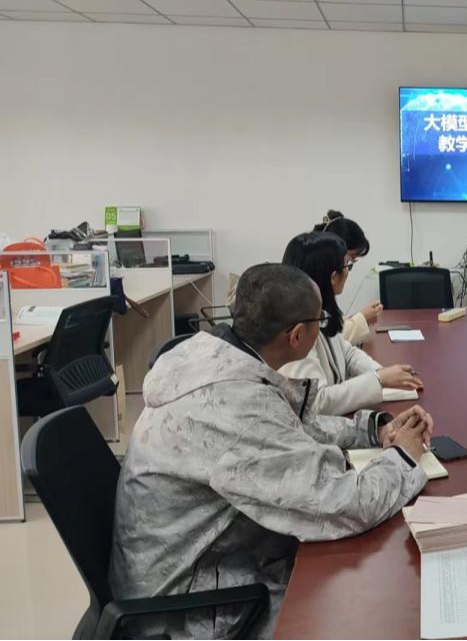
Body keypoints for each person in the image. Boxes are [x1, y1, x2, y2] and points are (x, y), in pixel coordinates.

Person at [109, 263, 435, 639]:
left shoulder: (210, 352)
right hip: (184, 606)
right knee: (365, 610)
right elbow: (342, 505)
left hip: (193, 560)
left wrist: (374, 430)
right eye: (320, 320)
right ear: (297, 335)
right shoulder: (237, 408)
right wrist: (404, 457)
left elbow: (286, 425)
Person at [279, 231, 422, 414]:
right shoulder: (298, 329)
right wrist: (379, 379)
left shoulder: (321, 311)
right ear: (333, 277)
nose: (348, 271)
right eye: (347, 265)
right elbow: (317, 403)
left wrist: (384, 373)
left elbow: (347, 353)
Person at [315, 210, 381, 345]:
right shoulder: (311, 294)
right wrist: (362, 318)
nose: (347, 271)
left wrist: (359, 317)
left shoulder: (320, 289)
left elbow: (331, 328)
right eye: (348, 262)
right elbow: (327, 340)